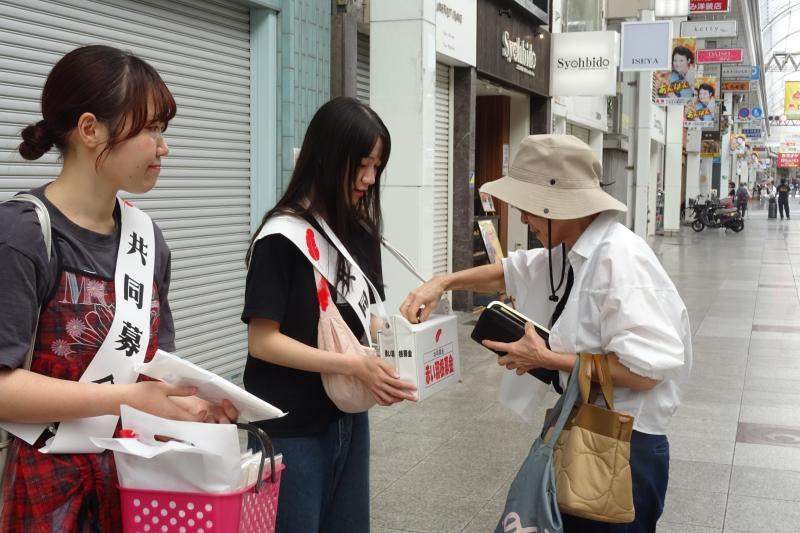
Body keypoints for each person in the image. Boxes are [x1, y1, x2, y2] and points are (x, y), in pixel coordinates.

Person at [401, 135, 692, 533]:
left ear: (559, 204)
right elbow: (512, 271)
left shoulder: (619, 259)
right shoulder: (576, 251)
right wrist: (442, 283)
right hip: (590, 434)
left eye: (529, 207)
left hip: (623, 449)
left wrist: (545, 358)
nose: (524, 219)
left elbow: (645, 372)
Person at [0, 45, 238, 531]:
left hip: (136, 483)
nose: (163, 147)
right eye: (151, 129)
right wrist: (124, 400)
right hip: (43, 492)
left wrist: (192, 405)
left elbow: (154, 368)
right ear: (90, 129)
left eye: (163, 130)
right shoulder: (23, 234)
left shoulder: (148, 240)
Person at [242, 96, 417, 533]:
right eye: (361, 164)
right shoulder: (280, 237)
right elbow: (263, 342)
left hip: (347, 416)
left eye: (377, 166)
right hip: (289, 425)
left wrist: (391, 355)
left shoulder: (361, 233)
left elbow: (368, 318)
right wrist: (352, 365)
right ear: (327, 156)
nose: (369, 178)